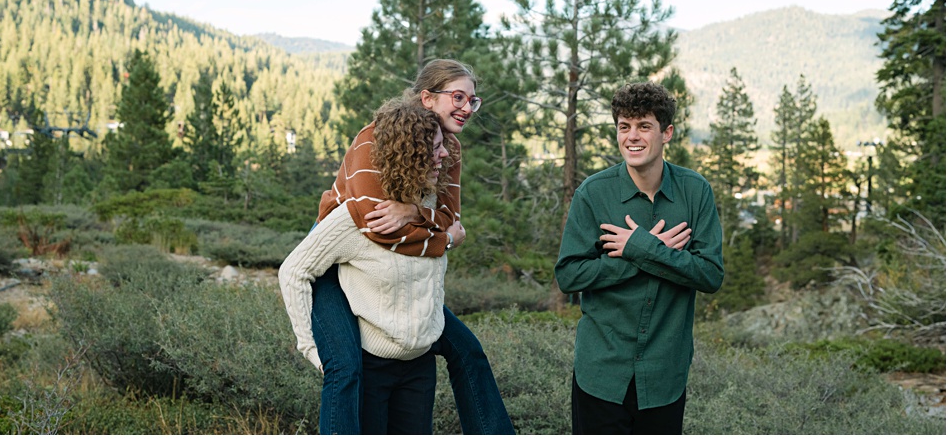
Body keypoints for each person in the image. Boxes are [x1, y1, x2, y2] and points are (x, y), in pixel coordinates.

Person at [305, 59, 513, 435]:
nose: (467, 108)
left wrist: (413, 211)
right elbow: (374, 226)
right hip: (335, 258)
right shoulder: (375, 138)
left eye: (472, 100)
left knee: (468, 351)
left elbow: (450, 215)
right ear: (427, 98)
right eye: (458, 97)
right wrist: (445, 239)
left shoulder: (447, 148)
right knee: (345, 366)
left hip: (394, 265)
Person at [554, 81, 724, 435]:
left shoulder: (695, 192)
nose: (632, 137)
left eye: (644, 126)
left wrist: (643, 247)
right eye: (624, 127)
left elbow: (710, 275)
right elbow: (569, 276)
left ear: (667, 133)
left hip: (664, 377)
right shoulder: (593, 194)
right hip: (601, 373)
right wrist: (639, 255)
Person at [280, 99, 453, 434]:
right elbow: (293, 272)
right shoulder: (361, 217)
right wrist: (314, 351)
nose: (444, 155)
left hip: (420, 367)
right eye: (434, 148)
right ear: (410, 154)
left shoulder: (431, 208)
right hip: (373, 368)